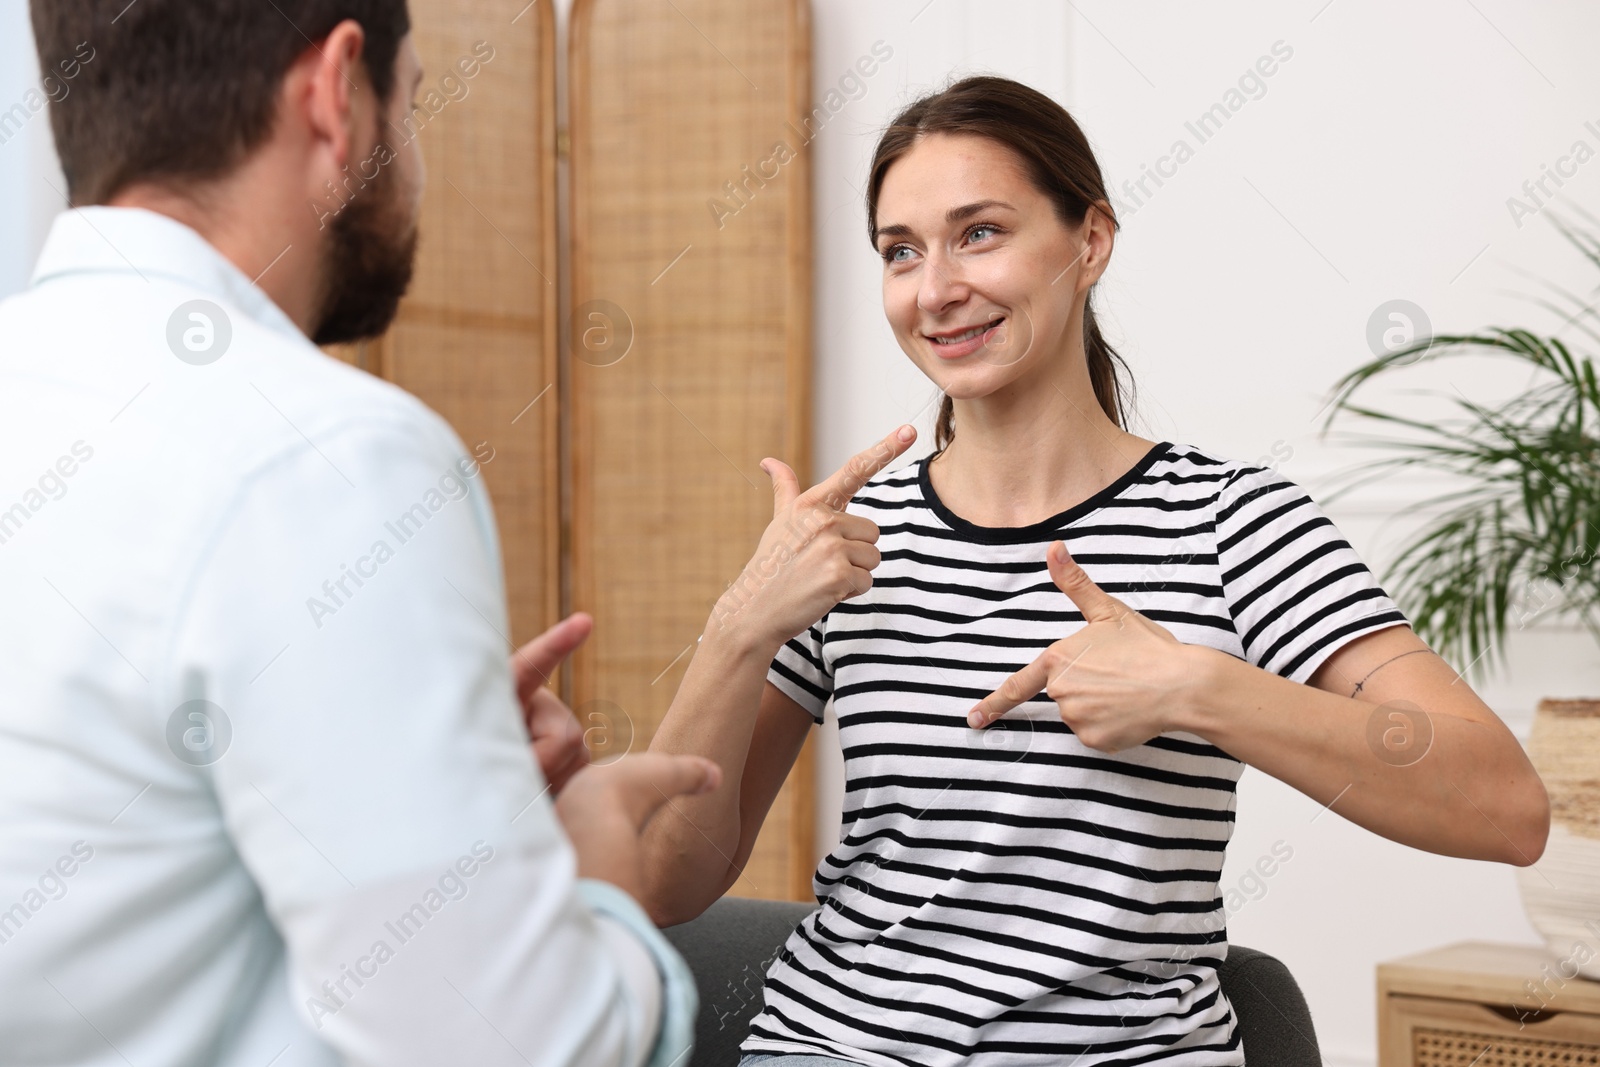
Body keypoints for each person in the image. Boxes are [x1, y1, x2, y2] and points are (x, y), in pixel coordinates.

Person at [640, 76, 1551, 1065]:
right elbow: (665, 879)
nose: (934, 288)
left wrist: (1200, 686)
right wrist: (739, 625)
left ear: (1090, 242)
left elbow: (1503, 805)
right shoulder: (844, 543)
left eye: (978, 232)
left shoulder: (1230, 521)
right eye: (900, 250)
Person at [0, 3, 721, 1065]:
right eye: (416, 102)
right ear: (337, 91)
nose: (418, 163)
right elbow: (519, 1047)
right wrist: (592, 866)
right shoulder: (325, 454)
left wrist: (441, 796)